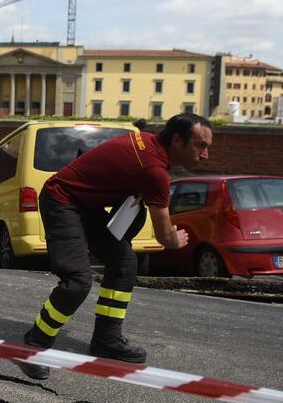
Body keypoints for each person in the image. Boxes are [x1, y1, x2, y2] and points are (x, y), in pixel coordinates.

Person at [17, 113, 213, 380]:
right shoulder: (155, 171)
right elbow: (165, 236)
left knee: (124, 262)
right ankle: (35, 344)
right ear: (178, 141)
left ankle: (106, 339)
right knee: (77, 281)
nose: (205, 155)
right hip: (61, 200)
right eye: (201, 145)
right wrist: (175, 239)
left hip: (87, 206)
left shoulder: (148, 142)